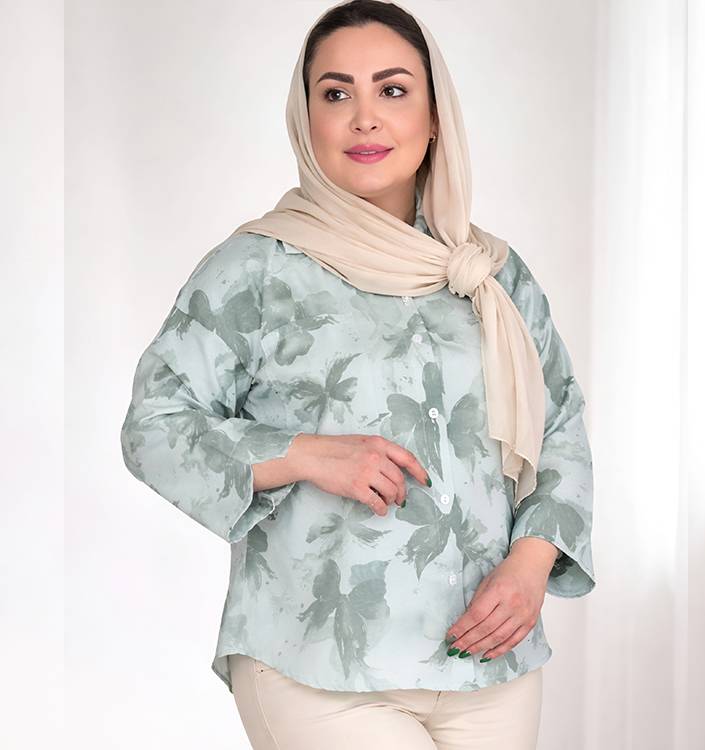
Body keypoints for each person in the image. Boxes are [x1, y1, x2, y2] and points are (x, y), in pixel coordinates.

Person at [119, 1, 596, 747]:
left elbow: (559, 421)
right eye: (336, 93)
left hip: (488, 661)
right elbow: (154, 426)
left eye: (393, 90)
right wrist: (302, 453)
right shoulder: (256, 269)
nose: (364, 117)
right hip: (319, 662)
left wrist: (533, 563)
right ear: (306, 120)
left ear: (434, 118)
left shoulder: (490, 275)